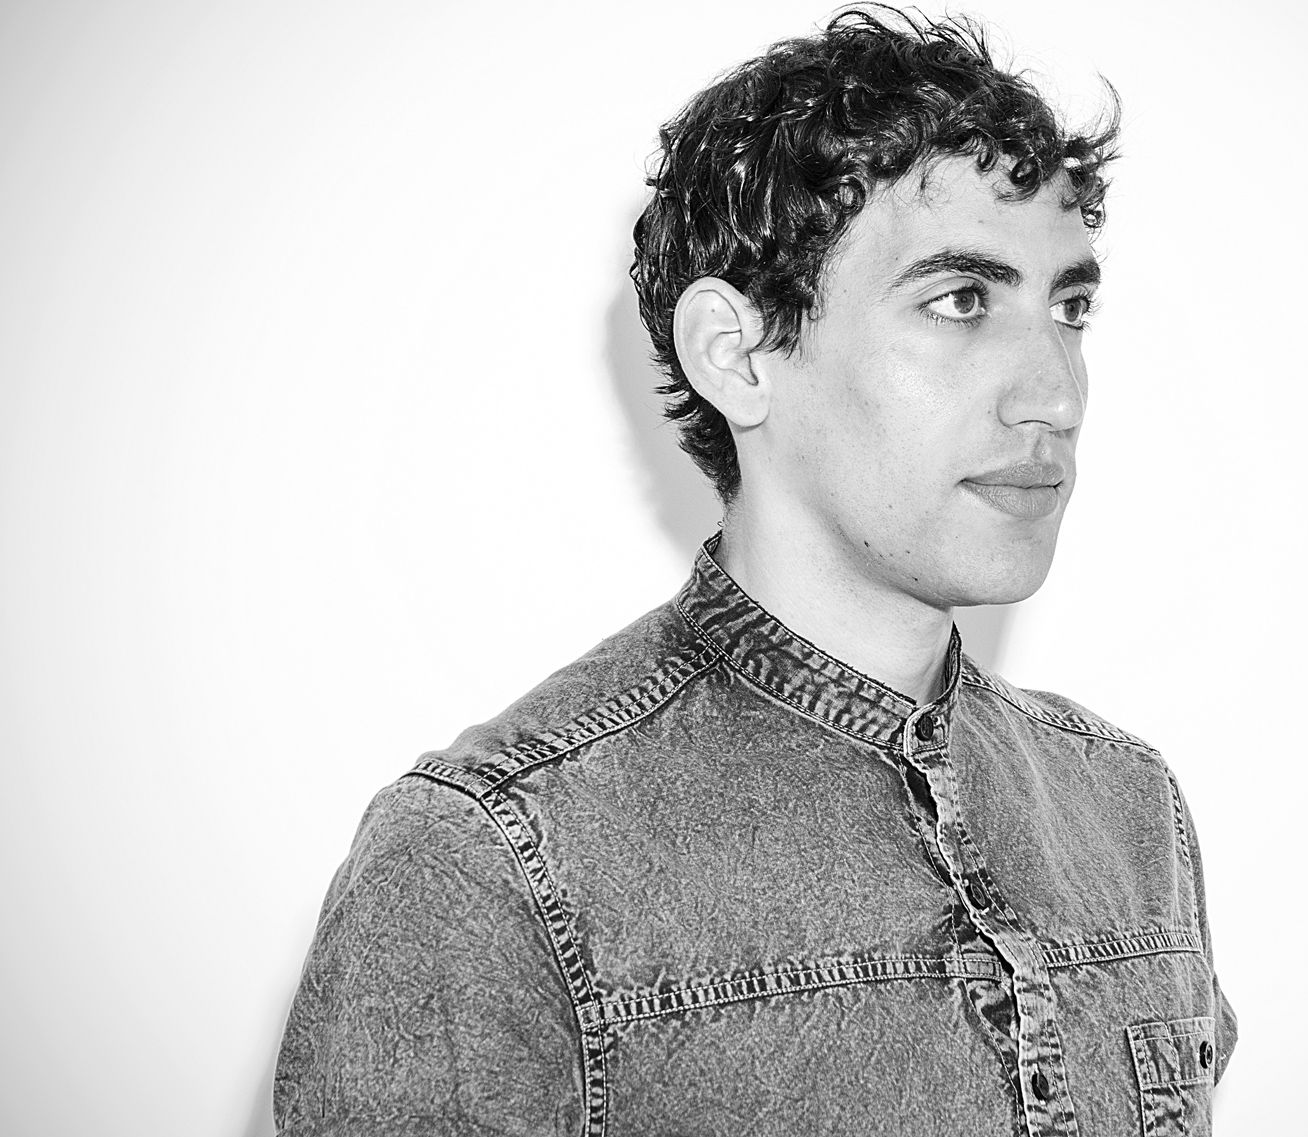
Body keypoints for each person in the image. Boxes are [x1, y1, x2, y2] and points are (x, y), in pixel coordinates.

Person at [274, 8, 1237, 1135]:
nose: (1057, 396)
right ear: (736, 356)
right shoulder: (487, 863)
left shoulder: (1127, 808)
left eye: (1069, 308)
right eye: (960, 301)